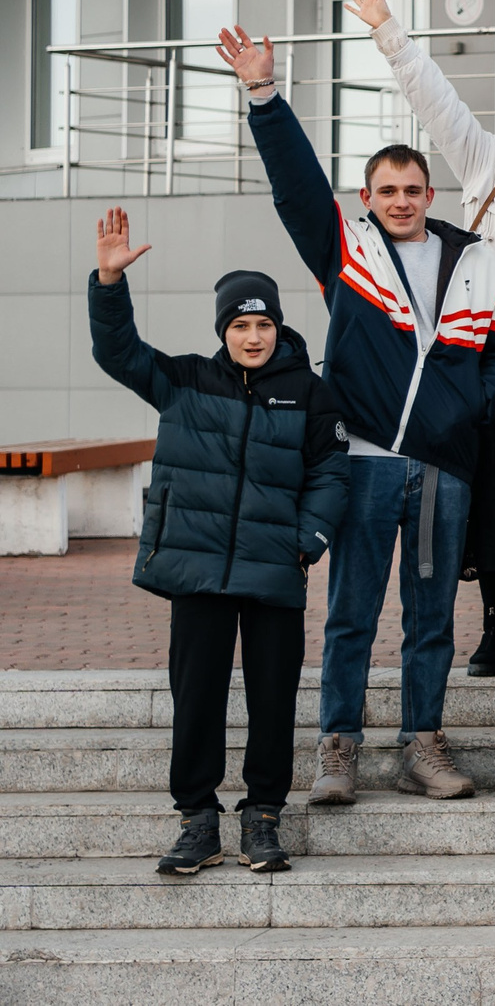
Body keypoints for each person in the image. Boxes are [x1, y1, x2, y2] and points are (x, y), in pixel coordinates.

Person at [216, 27, 495, 807]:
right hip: (362, 458)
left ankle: (423, 743)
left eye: (412, 189)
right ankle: (339, 748)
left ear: (431, 194)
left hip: (440, 466)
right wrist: (264, 95)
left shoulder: (475, 257)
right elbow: (295, 184)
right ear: (368, 199)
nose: (400, 200)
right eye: (386, 190)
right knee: (353, 612)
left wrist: (470, 411)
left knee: (431, 618)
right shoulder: (346, 251)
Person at [90, 210, 347, 876]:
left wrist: (306, 540)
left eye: (263, 323)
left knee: (272, 695)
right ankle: (197, 818)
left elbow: (330, 471)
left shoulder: (308, 394)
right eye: (240, 324)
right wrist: (109, 280)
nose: (254, 335)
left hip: (274, 569)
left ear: (278, 326)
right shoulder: (184, 382)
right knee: (196, 693)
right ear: (223, 330)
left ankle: (263, 814)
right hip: (197, 569)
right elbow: (119, 352)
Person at [343, 0, 495, 683]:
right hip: (472, 369)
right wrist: (389, 30)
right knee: (482, 504)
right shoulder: (489, 163)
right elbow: (433, 98)